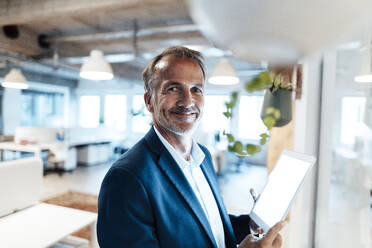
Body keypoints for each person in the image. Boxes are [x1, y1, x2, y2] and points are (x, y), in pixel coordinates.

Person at [97, 46, 285, 248]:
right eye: (172, 88)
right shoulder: (126, 178)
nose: (187, 100)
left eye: (196, 89)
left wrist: (249, 224)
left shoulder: (203, 156)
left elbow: (208, 225)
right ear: (149, 100)